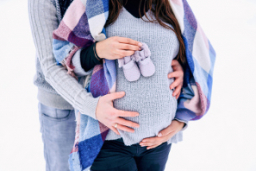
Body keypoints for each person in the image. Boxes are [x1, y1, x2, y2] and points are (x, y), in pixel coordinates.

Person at [28, 0, 185, 170]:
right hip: (63, 105)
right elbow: (52, 64)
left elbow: (191, 50)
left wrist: (178, 68)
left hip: (145, 131)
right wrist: (91, 105)